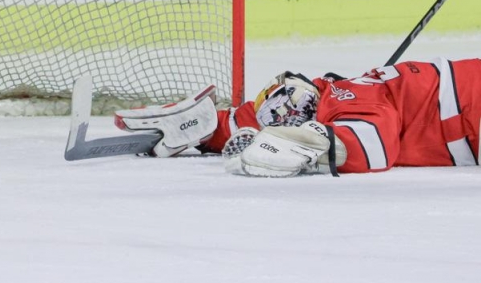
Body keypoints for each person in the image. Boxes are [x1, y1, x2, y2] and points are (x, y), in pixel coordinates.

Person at [114, 57, 481, 177]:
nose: (283, 112)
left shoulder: (343, 97)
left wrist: (314, 148)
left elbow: (374, 145)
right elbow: (255, 119)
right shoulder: (321, 96)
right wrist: (203, 128)